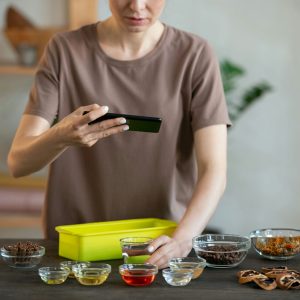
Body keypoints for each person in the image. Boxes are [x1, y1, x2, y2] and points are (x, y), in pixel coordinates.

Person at [7, 0, 231, 269]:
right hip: (76, 246)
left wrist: (183, 240)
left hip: (158, 246)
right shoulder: (65, 50)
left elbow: (214, 169)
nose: (137, 6)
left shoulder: (194, 54)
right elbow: (18, 163)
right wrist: (60, 136)